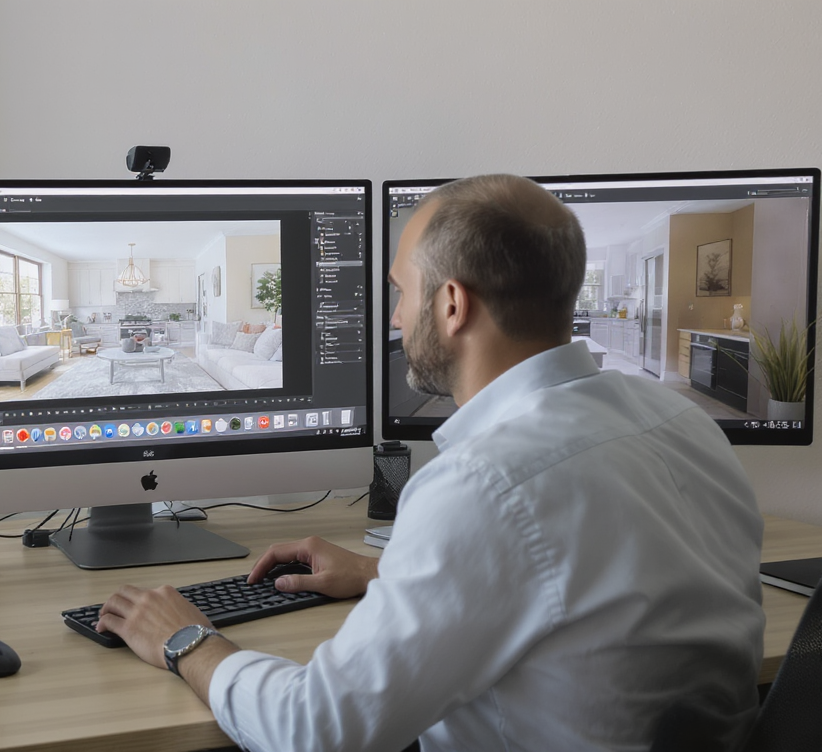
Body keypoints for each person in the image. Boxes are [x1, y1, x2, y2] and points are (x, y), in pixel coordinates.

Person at [95, 174, 765, 752]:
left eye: (401, 291)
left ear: (451, 304)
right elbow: (589, 579)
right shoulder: (687, 424)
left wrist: (187, 639)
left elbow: (316, 730)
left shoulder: (483, 485)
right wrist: (389, 572)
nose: (394, 313)